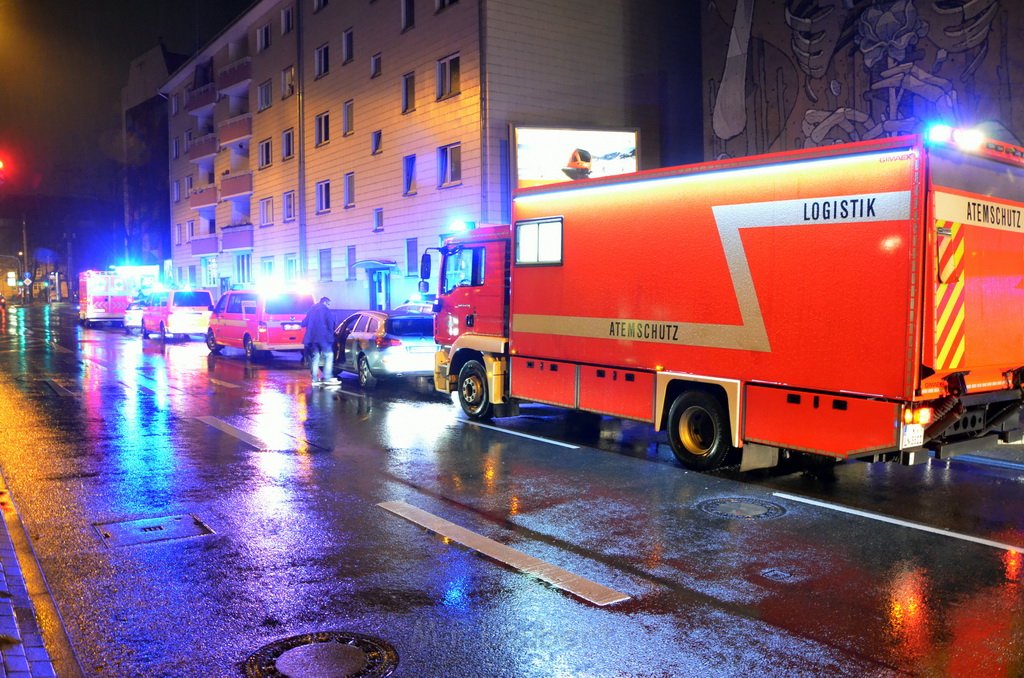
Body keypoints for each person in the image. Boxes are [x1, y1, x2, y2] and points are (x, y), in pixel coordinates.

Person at [301, 296, 337, 384]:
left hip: (312, 338)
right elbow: (331, 323)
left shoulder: (311, 310)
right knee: (329, 356)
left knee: (315, 357)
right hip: (323, 337)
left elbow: (303, 323)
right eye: (329, 304)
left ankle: (314, 379)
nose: (329, 306)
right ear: (325, 302)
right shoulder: (325, 310)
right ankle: (327, 378)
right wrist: (331, 334)